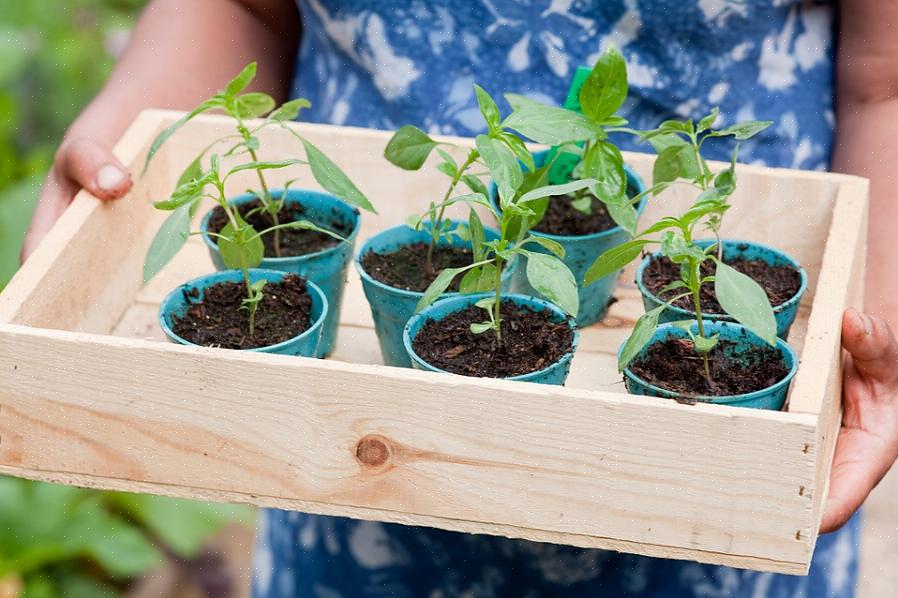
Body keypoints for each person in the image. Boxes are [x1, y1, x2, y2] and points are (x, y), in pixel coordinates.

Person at [23, 1, 898, 595]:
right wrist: (130, 150)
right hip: (352, 464)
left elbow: (883, 77)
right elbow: (245, 5)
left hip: (717, 516)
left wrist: (880, 310)